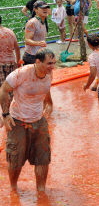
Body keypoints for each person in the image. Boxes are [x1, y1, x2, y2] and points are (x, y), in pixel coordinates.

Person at [0, 48, 55, 192]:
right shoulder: (21, 73)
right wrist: (5, 115)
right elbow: (4, 90)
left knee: (43, 158)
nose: (52, 67)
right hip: (18, 120)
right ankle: (13, 188)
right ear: (38, 62)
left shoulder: (49, 75)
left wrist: (49, 105)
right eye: (49, 63)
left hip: (38, 120)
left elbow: (45, 93)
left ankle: (41, 191)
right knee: (15, 158)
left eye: (53, 63)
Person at [23, 1, 49, 65]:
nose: (45, 9)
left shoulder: (42, 21)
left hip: (40, 54)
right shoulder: (32, 23)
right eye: (42, 8)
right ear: (35, 10)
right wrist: (38, 43)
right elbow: (27, 40)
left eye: (46, 8)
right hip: (31, 56)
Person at [0, 15, 21, 90]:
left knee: (2, 90)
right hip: (12, 63)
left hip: (1, 65)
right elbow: (17, 49)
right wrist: (18, 63)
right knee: (11, 87)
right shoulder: (10, 32)